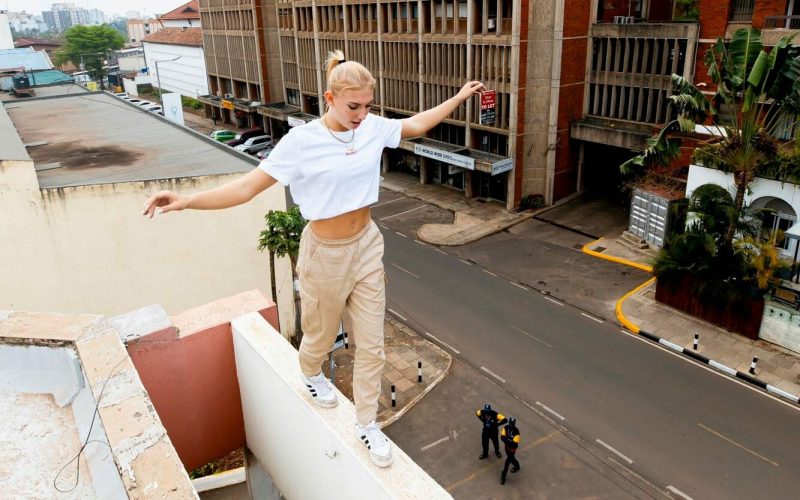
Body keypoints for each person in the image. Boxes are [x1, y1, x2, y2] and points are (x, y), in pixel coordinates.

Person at [142, 49, 485, 468]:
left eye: (368, 106)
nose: (361, 114)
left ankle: (367, 423)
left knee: (372, 343)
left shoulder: (373, 128)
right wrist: (187, 200)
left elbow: (415, 124)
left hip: (367, 244)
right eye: (353, 106)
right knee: (319, 337)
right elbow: (248, 188)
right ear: (330, 98)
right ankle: (309, 372)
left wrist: (459, 97)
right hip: (324, 252)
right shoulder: (303, 141)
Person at [500, 416, 521, 485]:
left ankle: (503, 475)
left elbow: (514, 444)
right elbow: (502, 437)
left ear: (514, 424)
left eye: (512, 423)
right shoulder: (506, 427)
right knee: (512, 459)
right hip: (507, 448)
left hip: (512, 450)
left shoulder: (517, 432)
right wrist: (509, 440)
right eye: (510, 423)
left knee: (507, 462)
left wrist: (507, 440)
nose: (511, 424)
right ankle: (517, 466)